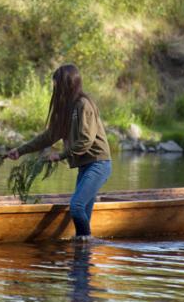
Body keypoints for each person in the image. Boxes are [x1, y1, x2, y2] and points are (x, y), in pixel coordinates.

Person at [7, 63, 111, 241]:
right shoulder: (66, 109)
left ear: (67, 84)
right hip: (84, 166)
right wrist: (20, 150)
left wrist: (60, 155)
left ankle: (86, 242)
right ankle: (83, 255)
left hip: (98, 164)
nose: (54, 88)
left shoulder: (83, 105)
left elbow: (86, 140)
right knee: (83, 209)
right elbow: (49, 137)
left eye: (56, 84)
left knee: (77, 206)